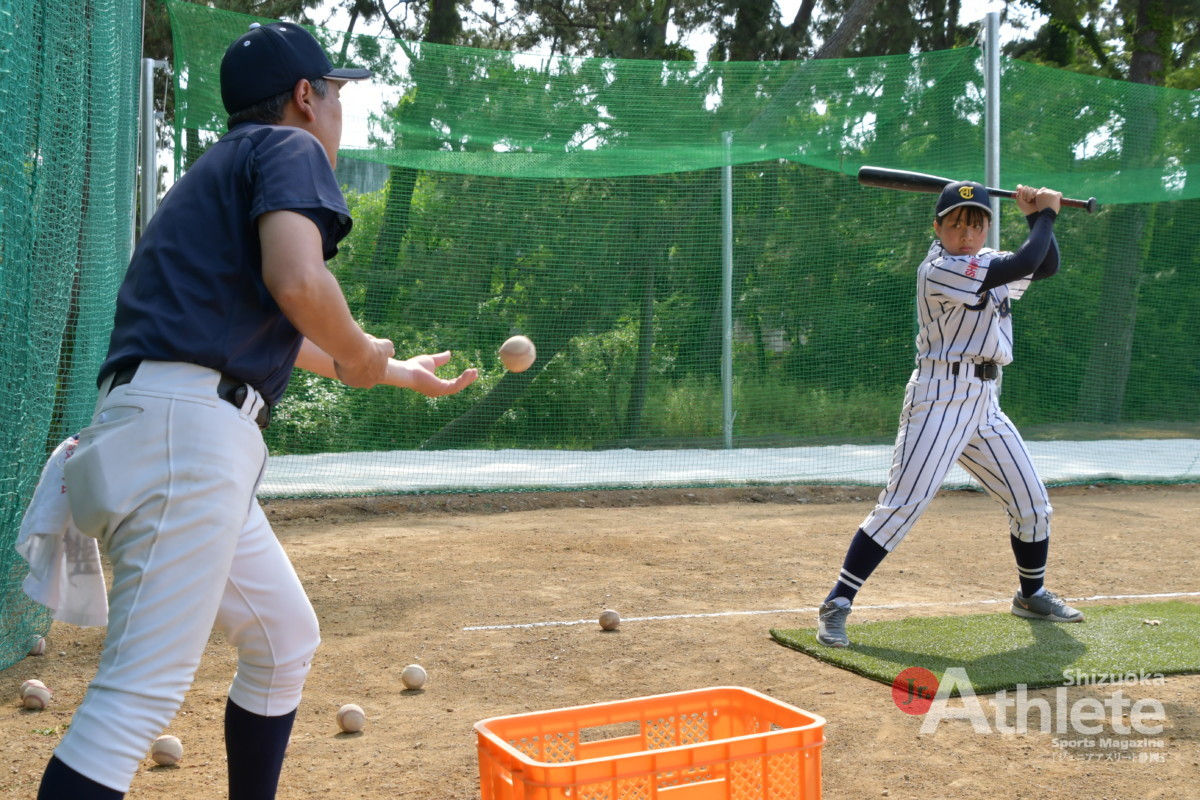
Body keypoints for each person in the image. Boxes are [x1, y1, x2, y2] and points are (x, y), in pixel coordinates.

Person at [37, 21, 477, 799]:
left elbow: (273, 323)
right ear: (305, 98)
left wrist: (389, 368)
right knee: (133, 703)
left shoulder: (216, 171)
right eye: (335, 93)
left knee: (282, 637)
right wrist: (357, 352)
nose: (339, 111)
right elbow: (300, 286)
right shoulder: (291, 149)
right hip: (187, 441)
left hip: (162, 430)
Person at [816, 180, 1083, 649]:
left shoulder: (986, 260)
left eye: (976, 223)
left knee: (1032, 503)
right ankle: (836, 604)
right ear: (937, 226)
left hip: (984, 400)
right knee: (901, 506)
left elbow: (1045, 266)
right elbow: (1025, 260)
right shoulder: (939, 268)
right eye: (957, 223)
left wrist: (1034, 216)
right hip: (938, 398)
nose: (967, 232)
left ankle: (1031, 593)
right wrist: (1046, 215)